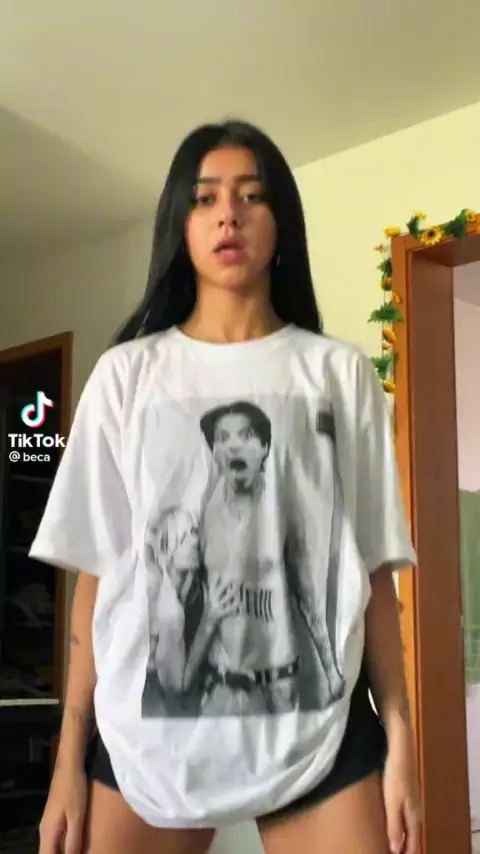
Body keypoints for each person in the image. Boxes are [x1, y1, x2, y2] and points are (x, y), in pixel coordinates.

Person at [31, 119, 421, 854]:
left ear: (281, 223)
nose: (228, 216)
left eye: (251, 196)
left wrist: (401, 741)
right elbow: (98, 576)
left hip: (318, 727)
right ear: (180, 224)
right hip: (151, 734)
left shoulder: (338, 376)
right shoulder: (126, 376)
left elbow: (370, 570)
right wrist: (68, 763)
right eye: (205, 198)